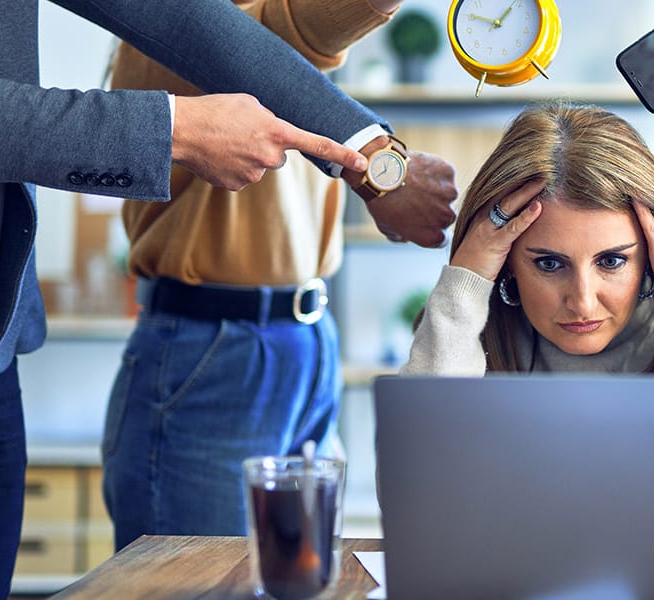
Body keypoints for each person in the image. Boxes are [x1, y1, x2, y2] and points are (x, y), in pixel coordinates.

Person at [0, 1, 455, 596]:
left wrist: (374, 155)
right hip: (215, 353)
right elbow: (295, 29)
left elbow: (191, 19)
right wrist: (168, 129)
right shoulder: (193, 41)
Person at [99, 0, 457, 550]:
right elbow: (285, 36)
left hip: (305, 340)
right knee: (202, 586)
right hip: (215, 352)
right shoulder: (179, 25)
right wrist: (388, 174)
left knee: (300, 575)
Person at [400, 104, 654, 381]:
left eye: (611, 261)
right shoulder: (454, 321)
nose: (582, 302)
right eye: (549, 264)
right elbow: (414, 482)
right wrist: (464, 284)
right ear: (506, 261)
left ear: (651, 255)